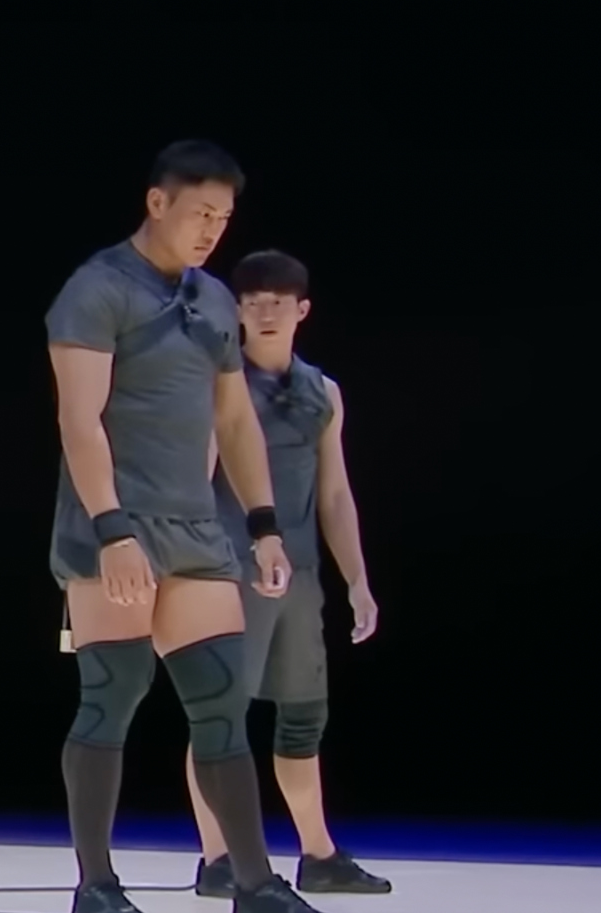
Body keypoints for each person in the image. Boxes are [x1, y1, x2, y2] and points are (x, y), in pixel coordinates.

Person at [44, 141, 323, 913]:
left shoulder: (214, 301)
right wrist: (112, 530)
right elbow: (79, 420)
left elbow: (234, 421)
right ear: (157, 202)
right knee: (113, 693)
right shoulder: (97, 289)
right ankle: (96, 885)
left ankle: (254, 883)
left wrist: (264, 525)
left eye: (223, 218)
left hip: (195, 527)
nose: (210, 230)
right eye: (200, 213)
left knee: (221, 700)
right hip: (112, 523)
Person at [185, 250, 389, 898]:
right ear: (236, 311)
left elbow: (335, 493)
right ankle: (219, 858)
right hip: (228, 572)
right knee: (219, 716)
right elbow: (196, 481)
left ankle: (318, 853)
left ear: (302, 310)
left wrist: (356, 579)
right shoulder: (220, 385)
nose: (266, 312)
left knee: (302, 717)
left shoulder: (322, 393)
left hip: (298, 577)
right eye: (252, 301)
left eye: (278, 301)